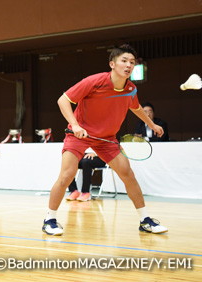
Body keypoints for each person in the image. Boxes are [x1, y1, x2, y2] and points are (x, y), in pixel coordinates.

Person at [42, 44, 168, 236]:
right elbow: (63, 100)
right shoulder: (94, 82)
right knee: (67, 174)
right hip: (79, 134)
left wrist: (151, 124)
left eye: (132, 63)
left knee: (127, 173)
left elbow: (136, 108)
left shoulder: (131, 89)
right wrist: (75, 125)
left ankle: (145, 220)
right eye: (124, 61)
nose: (128, 65)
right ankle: (49, 219)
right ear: (112, 63)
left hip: (106, 139)